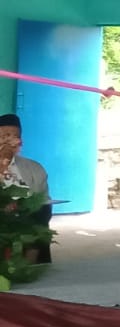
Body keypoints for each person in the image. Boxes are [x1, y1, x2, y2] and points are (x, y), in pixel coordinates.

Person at [0, 113, 52, 264]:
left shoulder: (35, 169)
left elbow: (43, 207)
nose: (9, 142)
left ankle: (31, 263)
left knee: (41, 214)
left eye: (15, 137)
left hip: (26, 224)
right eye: (4, 136)